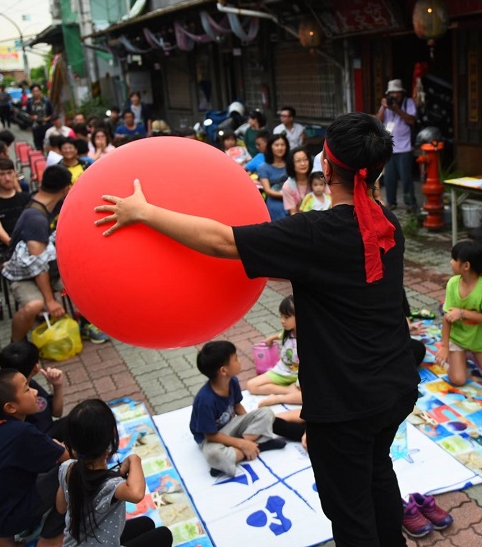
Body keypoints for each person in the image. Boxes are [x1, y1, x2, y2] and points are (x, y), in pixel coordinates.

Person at [96, 112, 419, 545]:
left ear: (326, 163)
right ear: (379, 170)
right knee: (378, 473)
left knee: (351, 513)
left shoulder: (315, 233)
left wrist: (145, 212)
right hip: (393, 388)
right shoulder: (387, 225)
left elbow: (222, 241)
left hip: (345, 405)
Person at [0, 369, 67, 547]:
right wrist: (60, 447)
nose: (35, 392)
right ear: (10, 407)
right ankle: (49, 538)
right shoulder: (22, 432)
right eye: (27, 389)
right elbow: (64, 456)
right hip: (10, 518)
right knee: (73, 471)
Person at [56, 400, 172, 547]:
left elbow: (61, 507)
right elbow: (136, 494)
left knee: (147, 523)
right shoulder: (110, 485)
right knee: (164, 535)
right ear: (111, 439)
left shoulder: (67, 467)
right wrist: (134, 459)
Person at [189, 341, 284, 477]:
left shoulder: (232, 381)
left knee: (266, 413)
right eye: (235, 359)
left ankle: (238, 454)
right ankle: (259, 446)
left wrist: (248, 423)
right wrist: (242, 443)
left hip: (230, 428)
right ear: (223, 370)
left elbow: (237, 406)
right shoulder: (205, 400)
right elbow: (210, 435)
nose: (240, 361)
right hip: (211, 437)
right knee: (214, 455)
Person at [1, 165, 70, 343]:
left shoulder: (48, 203)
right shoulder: (36, 218)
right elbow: (37, 265)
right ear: (65, 189)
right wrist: (50, 300)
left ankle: (86, 324)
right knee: (35, 305)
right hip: (25, 275)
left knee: (82, 284)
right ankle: (16, 344)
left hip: (50, 269)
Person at [435, 240, 482, 387]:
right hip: (458, 339)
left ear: (466, 266)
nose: (450, 262)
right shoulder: (453, 283)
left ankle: (469, 356)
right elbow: (447, 319)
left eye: (454, 259)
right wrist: (445, 346)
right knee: (458, 380)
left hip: (479, 341)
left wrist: (463, 313)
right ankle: (458, 357)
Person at [0, 341, 65, 438]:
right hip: (39, 440)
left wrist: (57, 385)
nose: (35, 392)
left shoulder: (29, 384)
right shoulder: (12, 396)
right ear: (36, 368)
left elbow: (56, 412)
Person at [375, 79, 417, 211]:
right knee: (389, 178)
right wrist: (384, 107)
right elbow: (377, 121)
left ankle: (410, 203)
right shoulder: (387, 104)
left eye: (397, 93)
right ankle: (391, 202)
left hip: (404, 148)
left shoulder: (408, 102)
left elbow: (411, 120)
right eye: (392, 93)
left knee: (406, 178)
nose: (394, 96)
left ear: (402, 93)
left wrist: (396, 109)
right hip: (389, 148)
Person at [247, 296, 299, 399]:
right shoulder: (288, 332)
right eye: (281, 316)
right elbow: (280, 335)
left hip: (300, 376)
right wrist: (270, 339)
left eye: (286, 317)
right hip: (282, 371)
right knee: (251, 386)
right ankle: (288, 390)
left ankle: (284, 396)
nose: (282, 321)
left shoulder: (311, 339)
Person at [0, 158, 31, 262]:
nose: (7, 178)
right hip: (8, 247)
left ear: (15, 174)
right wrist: (13, 244)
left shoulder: (26, 198)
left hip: (31, 242)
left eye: (10, 173)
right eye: (1, 174)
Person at [257, 134, 290, 221]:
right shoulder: (263, 167)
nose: (280, 148)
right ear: (270, 147)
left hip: (295, 199)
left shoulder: (291, 164)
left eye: (283, 145)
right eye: (276, 145)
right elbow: (268, 191)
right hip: (275, 202)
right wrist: (287, 195)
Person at [282, 147, 312, 214]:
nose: (303, 164)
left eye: (305, 159)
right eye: (298, 161)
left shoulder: (317, 179)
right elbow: (293, 213)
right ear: (291, 164)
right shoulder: (287, 186)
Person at [27, 84, 53, 152]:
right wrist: (32, 117)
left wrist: (47, 119)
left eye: (37, 91)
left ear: (40, 91)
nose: (36, 93)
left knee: (49, 144)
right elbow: (28, 114)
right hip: (36, 126)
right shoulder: (30, 103)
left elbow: (52, 113)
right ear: (31, 92)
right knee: (38, 145)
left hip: (46, 125)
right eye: (34, 91)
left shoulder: (46, 101)